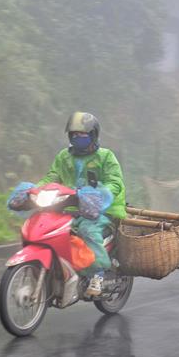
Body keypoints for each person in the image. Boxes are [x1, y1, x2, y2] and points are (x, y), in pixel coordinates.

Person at [38, 112, 126, 297]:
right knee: (47, 226)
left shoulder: (105, 157)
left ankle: (98, 275)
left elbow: (115, 182)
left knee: (87, 230)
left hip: (100, 211)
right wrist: (35, 190)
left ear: (93, 135)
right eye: (74, 135)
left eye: (83, 135)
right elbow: (52, 177)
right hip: (70, 208)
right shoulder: (64, 157)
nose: (78, 138)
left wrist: (100, 194)